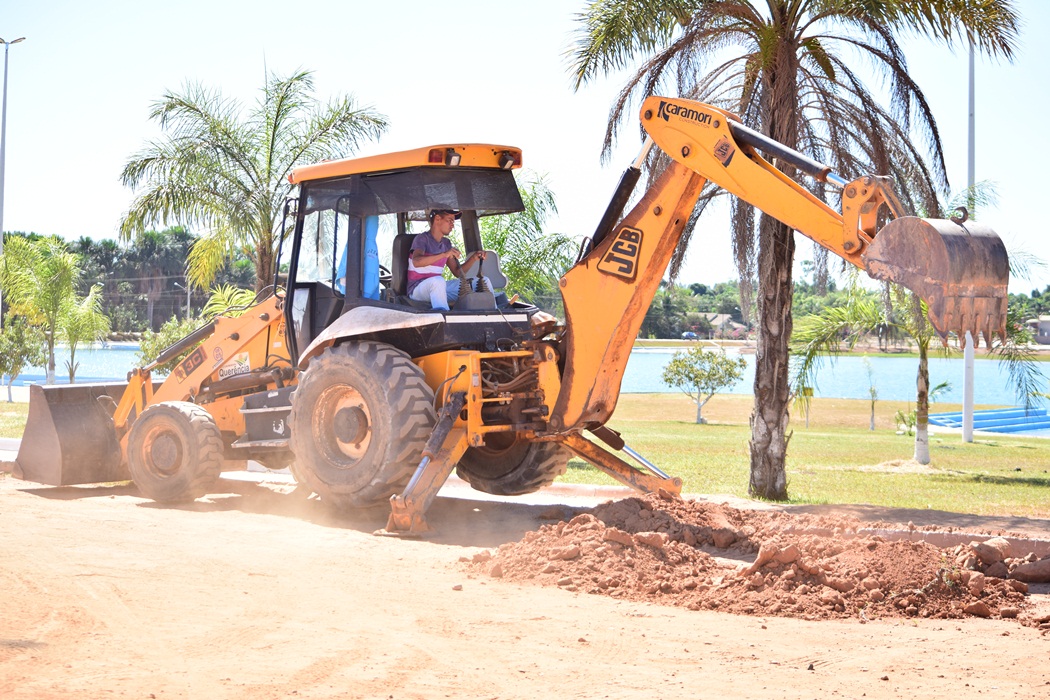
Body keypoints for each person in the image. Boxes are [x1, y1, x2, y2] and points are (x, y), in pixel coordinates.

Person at [407, 209, 492, 310]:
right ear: (438, 219)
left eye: (453, 222)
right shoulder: (422, 239)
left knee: (484, 281)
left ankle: (495, 315)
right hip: (417, 290)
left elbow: (457, 272)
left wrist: (474, 258)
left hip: (438, 288)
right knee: (438, 282)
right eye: (450, 220)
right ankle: (444, 318)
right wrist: (444, 255)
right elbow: (416, 262)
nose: (452, 225)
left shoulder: (446, 243)